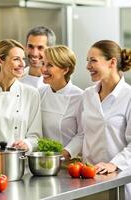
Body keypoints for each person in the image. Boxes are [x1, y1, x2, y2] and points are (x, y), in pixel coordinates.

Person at [81, 40, 131, 199]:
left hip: (119, 180)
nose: (88, 66)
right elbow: (83, 133)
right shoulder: (88, 95)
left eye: (93, 60)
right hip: (88, 178)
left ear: (112, 62)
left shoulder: (128, 96)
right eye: (87, 61)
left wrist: (113, 164)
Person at [38, 45, 83, 160]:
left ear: (65, 69)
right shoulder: (39, 93)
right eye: (43, 63)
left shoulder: (80, 97)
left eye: (50, 65)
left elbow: (83, 133)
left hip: (69, 162)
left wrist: (64, 154)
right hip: (42, 160)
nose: (43, 69)